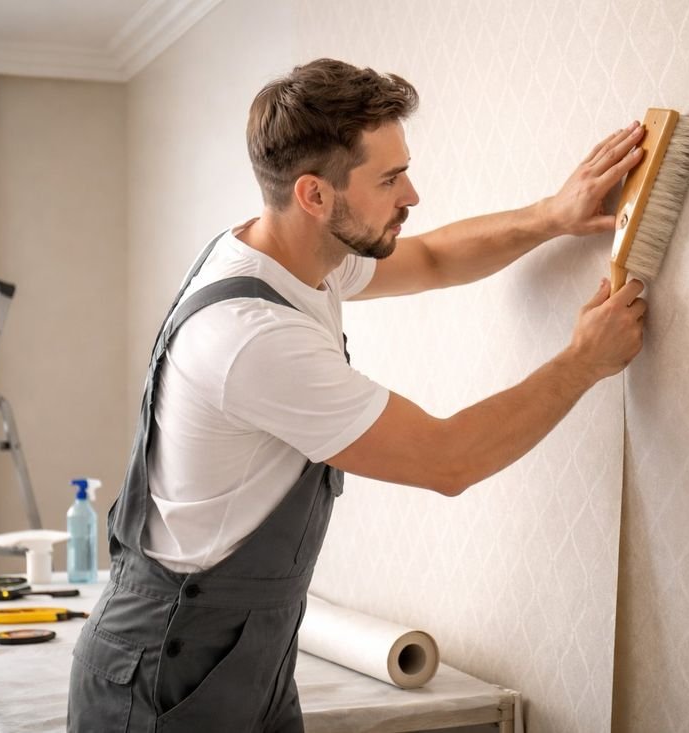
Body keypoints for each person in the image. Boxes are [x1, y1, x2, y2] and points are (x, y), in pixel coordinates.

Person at [67, 57, 649, 732]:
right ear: (315, 194)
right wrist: (583, 362)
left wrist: (551, 214)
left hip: (246, 658)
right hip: (165, 678)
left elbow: (430, 258)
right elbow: (447, 459)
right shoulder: (253, 339)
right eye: (390, 178)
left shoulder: (295, 255)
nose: (412, 195)